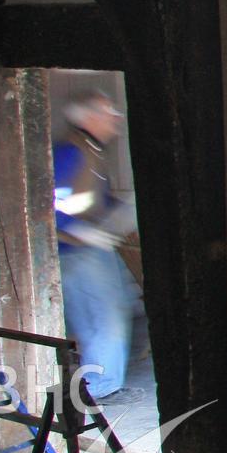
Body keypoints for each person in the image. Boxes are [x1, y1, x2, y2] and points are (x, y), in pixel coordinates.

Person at [53, 92, 137, 402]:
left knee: (109, 314)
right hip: (76, 254)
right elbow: (48, 204)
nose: (115, 119)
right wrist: (82, 232)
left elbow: (90, 201)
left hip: (91, 251)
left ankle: (102, 384)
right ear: (87, 117)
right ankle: (95, 389)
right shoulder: (69, 152)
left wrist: (120, 208)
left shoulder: (88, 151)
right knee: (100, 319)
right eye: (107, 112)